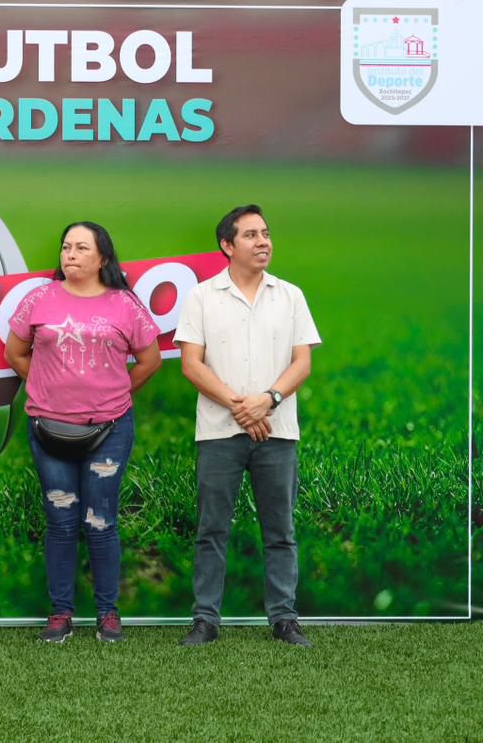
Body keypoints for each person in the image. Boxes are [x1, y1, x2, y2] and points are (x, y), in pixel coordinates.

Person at [4, 222, 161, 644]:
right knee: (60, 520)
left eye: (81, 248)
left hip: (109, 430)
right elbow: (14, 353)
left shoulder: (125, 304)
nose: (70, 254)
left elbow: (149, 360)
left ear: (102, 257)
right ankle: (61, 613)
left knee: (100, 519)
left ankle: (108, 613)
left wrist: (114, 394)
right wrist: (46, 388)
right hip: (49, 429)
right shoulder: (39, 298)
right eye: (66, 247)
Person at [173, 204, 321, 648]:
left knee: (280, 531)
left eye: (266, 234)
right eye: (251, 235)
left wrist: (267, 400)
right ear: (227, 245)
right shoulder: (202, 296)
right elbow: (191, 364)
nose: (263, 242)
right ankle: (205, 620)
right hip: (220, 432)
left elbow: (302, 363)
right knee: (211, 529)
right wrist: (241, 407)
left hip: (278, 430)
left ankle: (284, 618)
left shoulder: (290, 295)